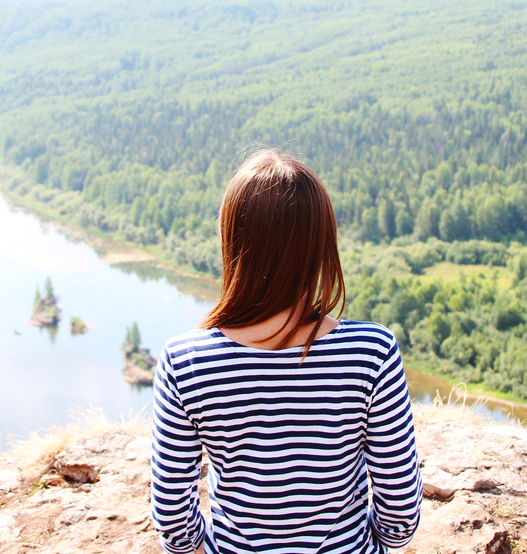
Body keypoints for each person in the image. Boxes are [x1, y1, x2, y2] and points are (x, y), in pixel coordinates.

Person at [151, 149, 422, 554]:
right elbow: (400, 507)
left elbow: (171, 512)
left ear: (231, 240)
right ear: (320, 246)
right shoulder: (371, 352)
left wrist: (202, 547)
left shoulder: (184, 360)